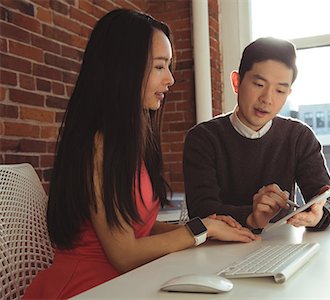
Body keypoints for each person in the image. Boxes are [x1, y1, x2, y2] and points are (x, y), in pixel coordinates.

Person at [24, 9, 258, 299]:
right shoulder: (98, 144)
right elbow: (124, 254)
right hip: (87, 287)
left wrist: (202, 229)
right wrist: (201, 231)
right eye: (160, 67)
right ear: (124, 69)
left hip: (124, 281)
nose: (171, 79)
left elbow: (138, 228)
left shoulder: (127, 141)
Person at [183, 37, 330, 232]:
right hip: (218, 250)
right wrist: (251, 218)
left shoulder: (299, 137)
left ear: (288, 94)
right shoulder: (203, 138)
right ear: (236, 82)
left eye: (280, 90)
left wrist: (319, 213)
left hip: (280, 247)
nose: (267, 98)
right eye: (259, 84)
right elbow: (201, 211)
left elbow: (328, 198)